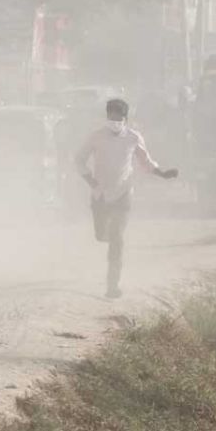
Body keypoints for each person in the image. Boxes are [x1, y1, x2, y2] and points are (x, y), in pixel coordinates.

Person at [75, 98, 179, 299]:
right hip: (100, 194)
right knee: (101, 235)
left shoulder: (133, 137)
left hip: (123, 194)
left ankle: (112, 285)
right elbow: (79, 160)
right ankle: (109, 239)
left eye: (119, 119)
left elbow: (146, 162)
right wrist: (90, 180)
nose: (115, 122)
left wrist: (163, 174)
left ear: (125, 119)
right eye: (111, 118)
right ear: (106, 116)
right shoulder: (96, 137)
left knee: (117, 239)